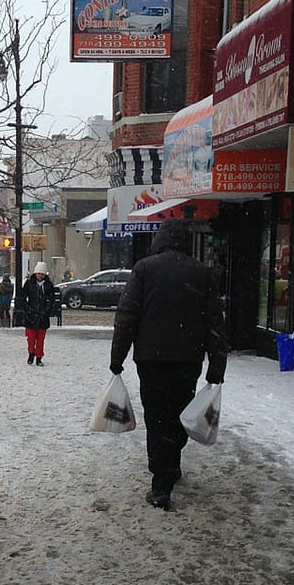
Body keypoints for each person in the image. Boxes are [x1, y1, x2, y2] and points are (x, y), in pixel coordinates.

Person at [109, 218, 227, 510]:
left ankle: (161, 481)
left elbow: (127, 316)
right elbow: (215, 322)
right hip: (188, 359)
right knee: (178, 413)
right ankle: (170, 466)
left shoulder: (145, 269)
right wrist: (217, 365)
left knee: (157, 416)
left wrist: (117, 357)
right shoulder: (201, 273)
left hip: (151, 358)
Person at [17, 261, 57, 366]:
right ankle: (31, 353)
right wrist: (27, 309)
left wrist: (47, 310)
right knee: (30, 338)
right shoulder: (29, 283)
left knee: (40, 340)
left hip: (43, 316)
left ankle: (39, 357)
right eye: (39, 273)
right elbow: (22, 296)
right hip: (30, 315)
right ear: (35, 273)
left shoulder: (48, 285)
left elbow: (52, 299)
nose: (40, 276)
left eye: (42, 274)